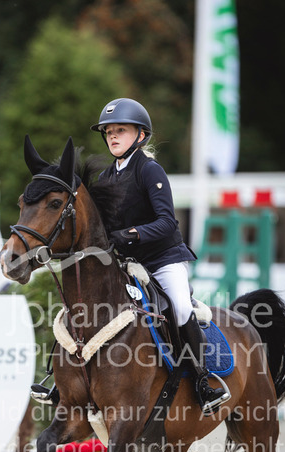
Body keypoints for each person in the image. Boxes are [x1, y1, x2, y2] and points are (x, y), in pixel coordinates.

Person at [90, 97, 230, 415]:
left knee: (180, 308)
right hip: (127, 264)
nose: (112, 136)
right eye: (109, 132)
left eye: (120, 130)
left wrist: (130, 234)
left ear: (140, 135)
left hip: (162, 259)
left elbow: (167, 222)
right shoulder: (105, 179)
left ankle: (203, 382)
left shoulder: (149, 170)